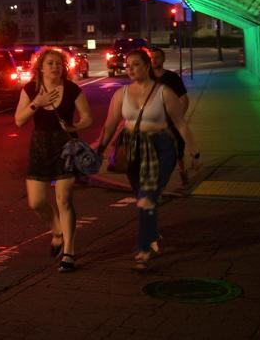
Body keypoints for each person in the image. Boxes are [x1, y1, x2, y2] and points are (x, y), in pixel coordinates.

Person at [95, 49, 199, 271]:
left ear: (147, 66)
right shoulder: (121, 94)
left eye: (135, 64)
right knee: (142, 197)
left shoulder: (164, 92)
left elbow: (180, 123)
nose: (130, 69)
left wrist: (194, 151)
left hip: (161, 148)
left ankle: (144, 250)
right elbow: (111, 124)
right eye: (128, 65)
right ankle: (151, 233)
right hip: (133, 148)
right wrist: (100, 148)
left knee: (147, 197)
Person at [15, 47, 94, 273]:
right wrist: (36, 103)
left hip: (65, 148)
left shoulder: (72, 90)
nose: (55, 67)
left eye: (59, 63)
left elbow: (88, 118)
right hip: (40, 147)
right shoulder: (30, 89)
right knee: (36, 202)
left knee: (64, 200)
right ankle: (57, 231)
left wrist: (74, 126)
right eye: (50, 63)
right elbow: (19, 121)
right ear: (40, 67)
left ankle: (69, 252)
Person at [151, 47, 191, 187]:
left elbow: (184, 98)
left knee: (178, 149)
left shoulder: (172, 77)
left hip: (171, 121)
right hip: (153, 123)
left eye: (157, 57)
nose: (154, 60)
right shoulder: (146, 78)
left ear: (163, 59)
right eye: (151, 57)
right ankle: (157, 181)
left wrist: (179, 118)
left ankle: (183, 172)